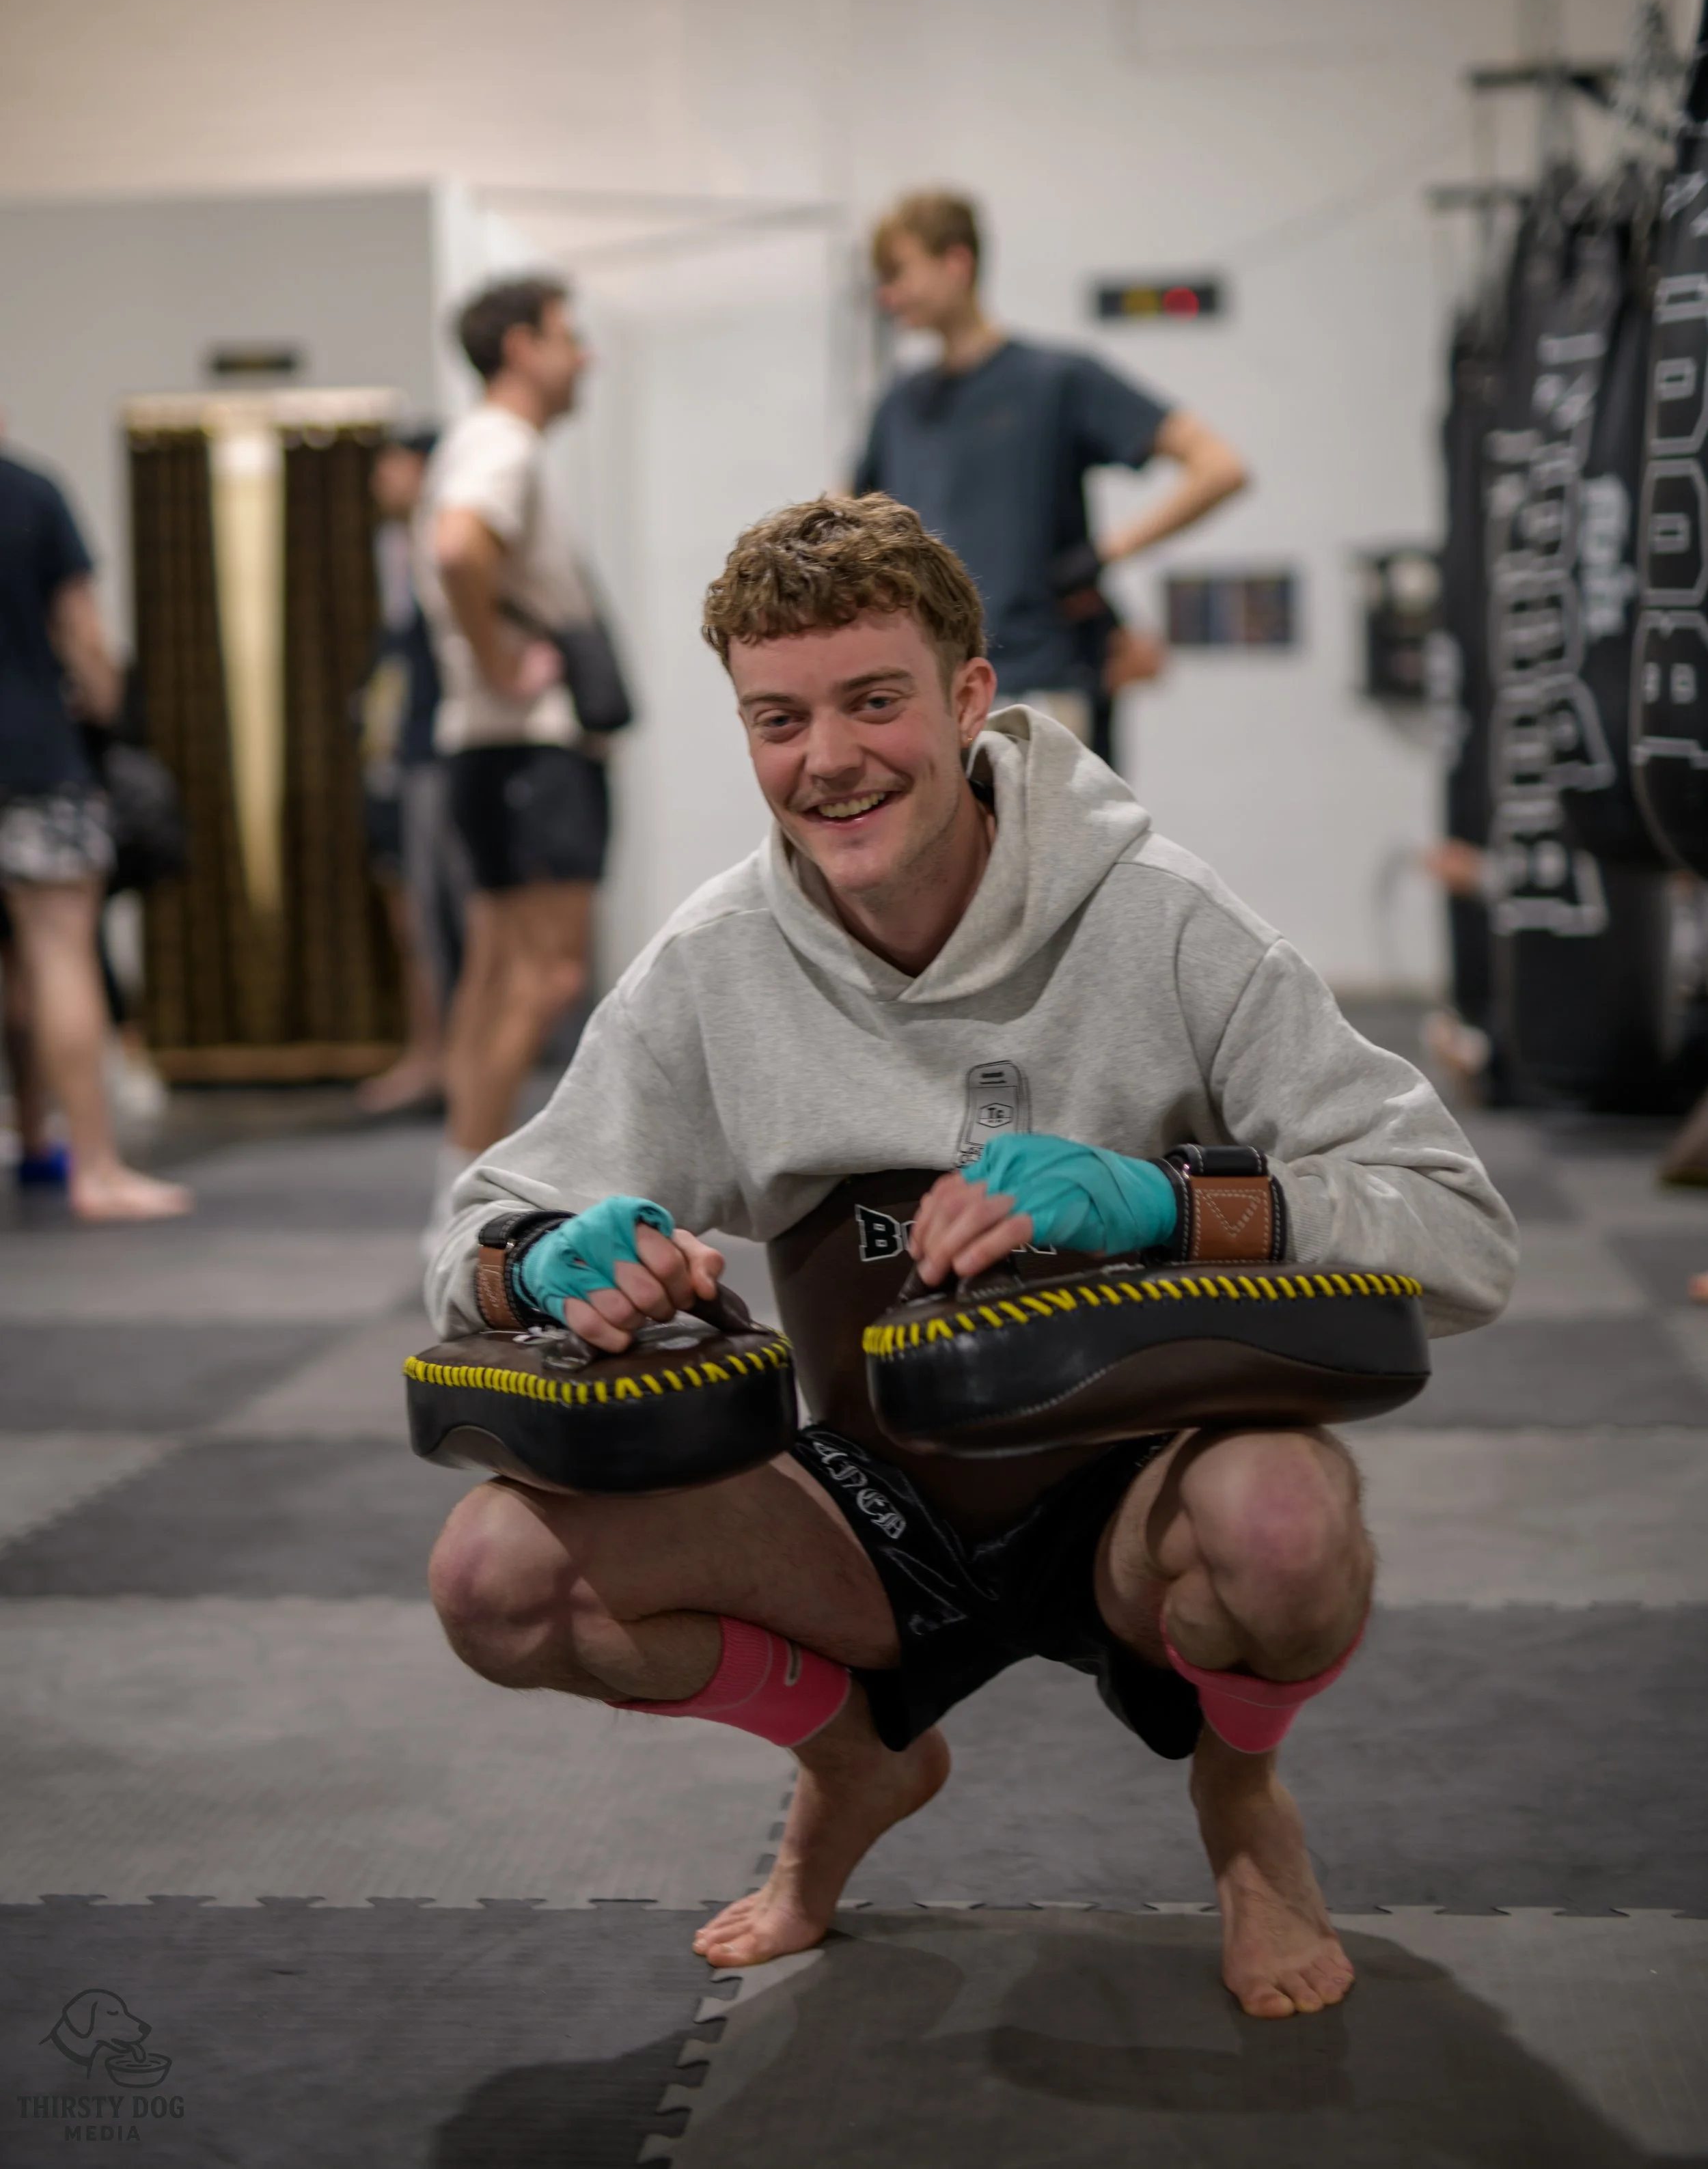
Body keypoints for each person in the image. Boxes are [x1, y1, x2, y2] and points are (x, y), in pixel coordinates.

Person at [424, 493, 1516, 2021]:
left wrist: (1165, 1200)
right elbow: (478, 1224)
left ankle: (1241, 1798)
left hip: (1140, 1490)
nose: (828, 761)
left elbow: (1460, 1231)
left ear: (968, 697)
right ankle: (855, 1759)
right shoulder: (712, 967)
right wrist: (538, 1263)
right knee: (498, 1578)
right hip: (866, 1499)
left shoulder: (1165, 924)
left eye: (874, 702)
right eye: (777, 720)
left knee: (1280, 1528)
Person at [855, 189, 1246, 748]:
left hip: (1042, 686)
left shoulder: (1055, 380)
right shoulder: (899, 406)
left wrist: (1105, 555)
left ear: (956, 262)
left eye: (900, 272)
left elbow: (1219, 467)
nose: (889, 296)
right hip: (933, 695)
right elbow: (844, 528)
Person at [417, 277, 612, 1238]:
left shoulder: (481, 441)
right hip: (531, 746)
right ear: (523, 347)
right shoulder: (502, 441)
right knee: (542, 973)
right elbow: (460, 549)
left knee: (497, 969)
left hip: (492, 750)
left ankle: (458, 1188)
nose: (586, 356)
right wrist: (500, 659)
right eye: (570, 338)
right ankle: (472, 1200)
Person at [0, 442, 189, 1221]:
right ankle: (95, 1170)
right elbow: (84, 633)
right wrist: (107, 714)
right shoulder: (32, 491)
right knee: (58, 953)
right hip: (38, 754)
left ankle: (35, 1138)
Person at [356, 427, 472, 1117]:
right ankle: (432, 1053)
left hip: (441, 749)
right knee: (418, 913)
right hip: (404, 753)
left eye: (392, 466)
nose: (380, 480)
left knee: (452, 915)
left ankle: (456, 1060)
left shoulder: (447, 539)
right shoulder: (395, 548)